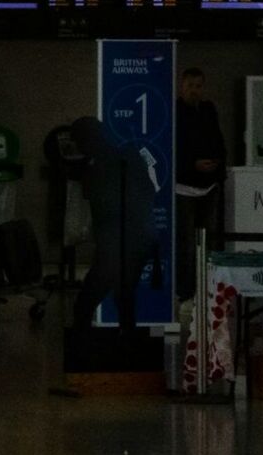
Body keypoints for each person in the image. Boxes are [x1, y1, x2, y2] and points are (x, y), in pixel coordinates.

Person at [70, 116, 156, 333]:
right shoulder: (128, 155)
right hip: (139, 240)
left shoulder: (95, 169)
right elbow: (147, 191)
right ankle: (130, 352)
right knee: (125, 298)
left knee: (85, 304)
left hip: (114, 245)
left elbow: (101, 206)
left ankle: (85, 354)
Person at [174, 67, 228, 300]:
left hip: (209, 183)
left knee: (211, 241)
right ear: (181, 86)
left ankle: (209, 288)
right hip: (184, 185)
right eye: (190, 86)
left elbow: (217, 139)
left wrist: (218, 165)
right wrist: (192, 165)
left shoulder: (208, 110)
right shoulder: (175, 111)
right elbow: (175, 147)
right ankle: (186, 291)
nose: (195, 91)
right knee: (186, 243)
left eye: (198, 86)